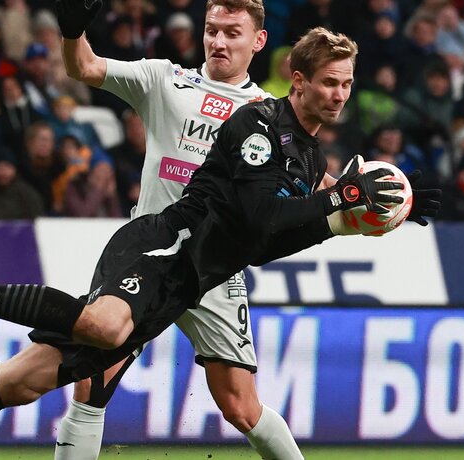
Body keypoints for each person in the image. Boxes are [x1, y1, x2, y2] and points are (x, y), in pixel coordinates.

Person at [0, 25, 441, 459]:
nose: (340, 95)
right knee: (103, 335)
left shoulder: (309, 157)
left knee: (24, 380)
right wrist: (342, 201)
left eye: (347, 84)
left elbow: (268, 240)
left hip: (193, 280)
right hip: (161, 244)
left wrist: (360, 217)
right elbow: (261, 218)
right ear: (299, 80)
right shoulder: (257, 122)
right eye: (330, 83)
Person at [54, 0, 295, 457]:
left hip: (213, 270)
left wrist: (366, 197)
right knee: (91, 382)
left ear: (258, 41)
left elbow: (313, 180)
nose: (218, 41)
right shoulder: (164, 79)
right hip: (147, 258)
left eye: (232, 33)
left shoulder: (272, 114)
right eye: (212, 29)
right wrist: (71, 32)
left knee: (240, 407)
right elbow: (83, 66)